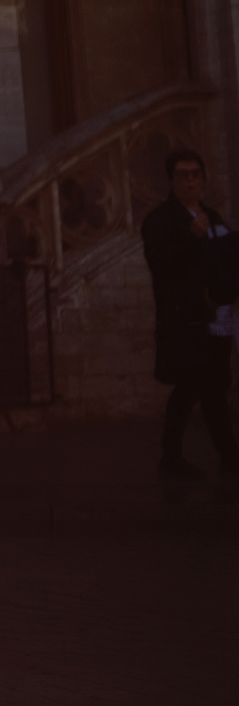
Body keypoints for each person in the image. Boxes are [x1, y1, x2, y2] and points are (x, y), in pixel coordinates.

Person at [143, 148, 238, 478]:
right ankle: (217, 456)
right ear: (172, 181)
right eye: (183, 174)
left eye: (196, 173)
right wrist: (191, 237)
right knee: (193, 386)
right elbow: (161, 264)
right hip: (186, 321)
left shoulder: (214, 216)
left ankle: (182, 457)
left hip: (218, 319)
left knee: (212, 386)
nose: (191, 180)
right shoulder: (160, 220)